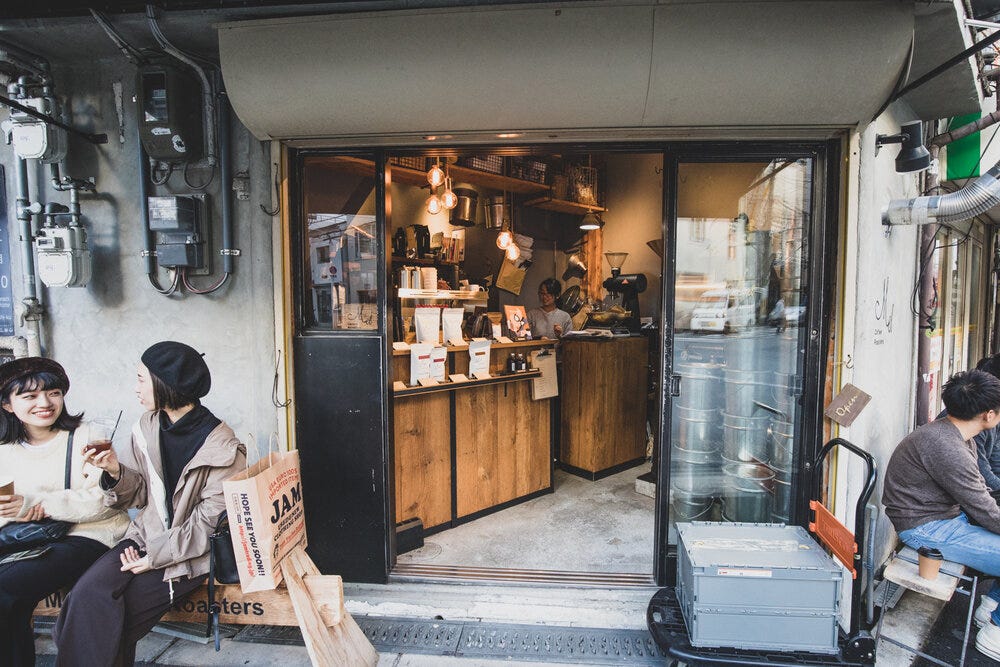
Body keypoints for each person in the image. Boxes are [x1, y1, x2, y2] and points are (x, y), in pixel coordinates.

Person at [53, 341, 247, 666]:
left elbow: (206, 524)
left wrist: (154, 558)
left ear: (164, 383)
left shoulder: (223, 448)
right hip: (143, 538)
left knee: (108, 626)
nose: (136, 388)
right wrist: (114, 469)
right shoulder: (148, 426)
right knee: (86, 598)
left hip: (189, 556)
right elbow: (140, 495)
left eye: (141, 379)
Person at [0, 357, 129, 667]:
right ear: (7, 405)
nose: (45, 403)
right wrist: (15, 511)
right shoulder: (4, 449)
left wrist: (38, 504)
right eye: (29, 396)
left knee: (4, 589)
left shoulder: (87, 436)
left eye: (54, 392)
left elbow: (105, 500)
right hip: (25, 539)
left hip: (87, 537)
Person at [882, 369, 1000, 660]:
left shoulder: (954, 434)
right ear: (988, 415)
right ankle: (994, 633)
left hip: (943, 520)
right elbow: (982, 507)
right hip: (927, 529)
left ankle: (989, 609)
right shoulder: (947, 446)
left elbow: (980, 496)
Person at [936, 353, 1000, 495]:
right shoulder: (962, 432)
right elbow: (977, 490)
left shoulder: (971, 427)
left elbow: (995, 464)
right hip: (938, 514)